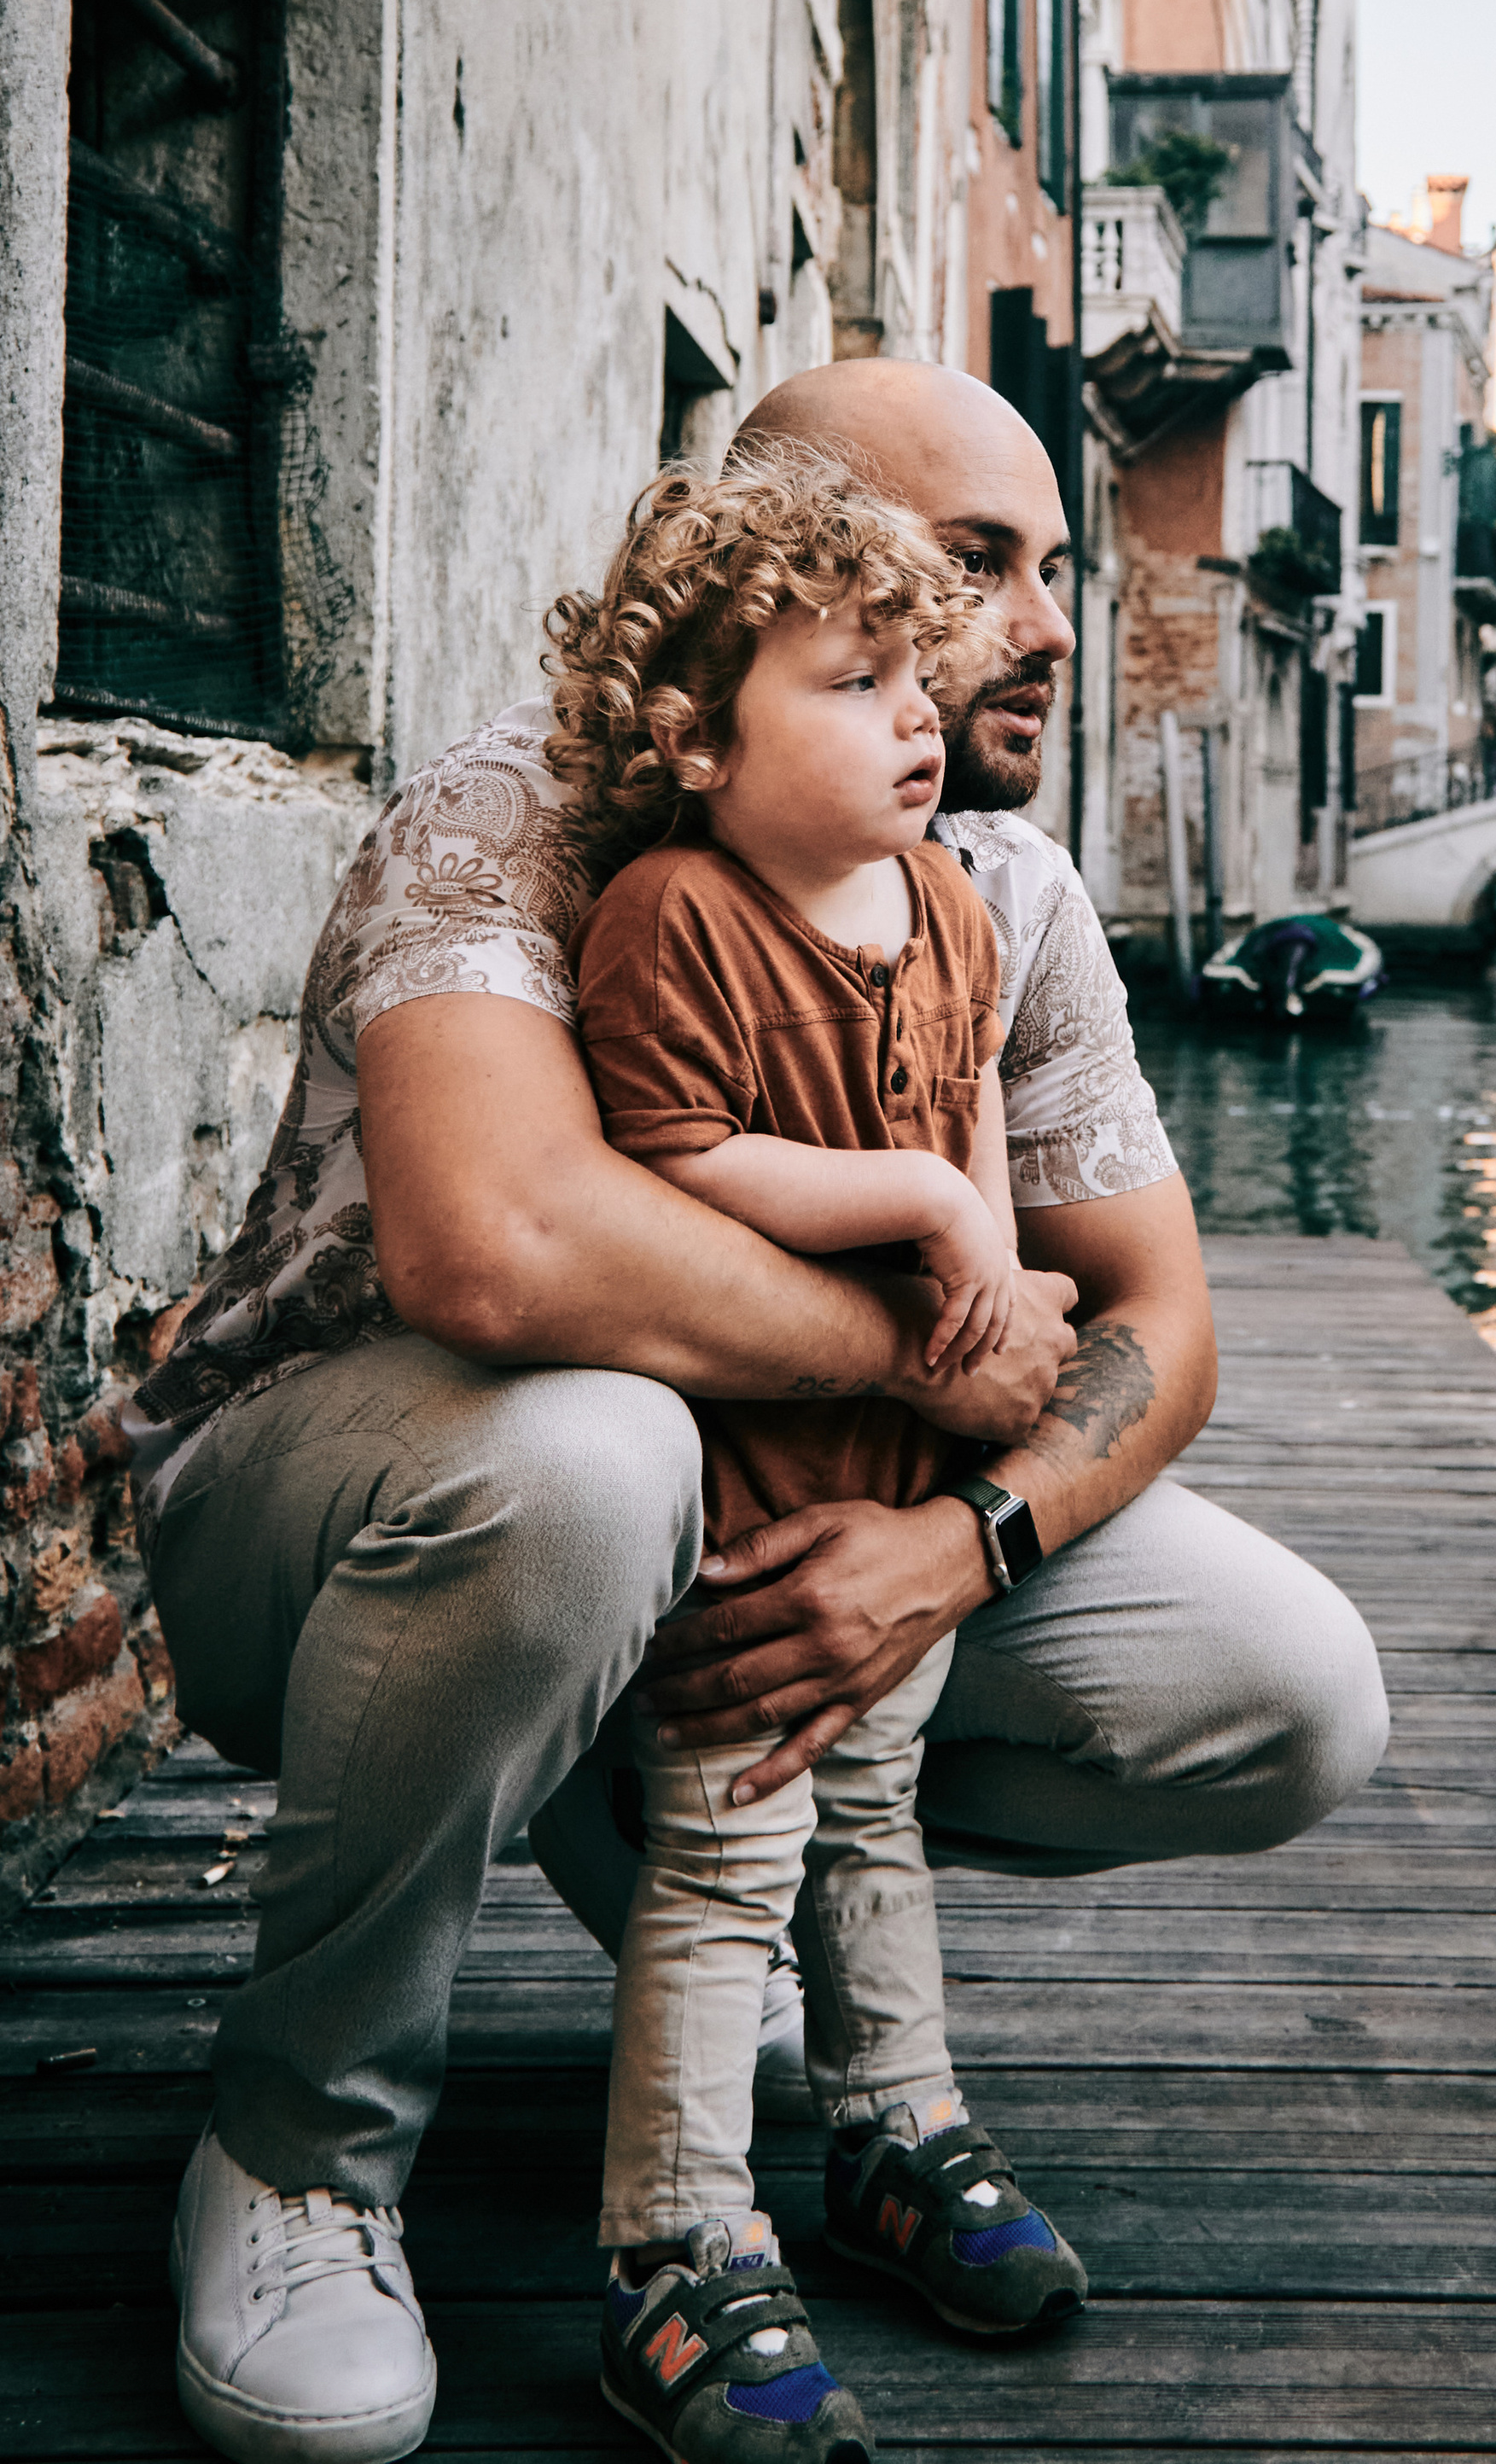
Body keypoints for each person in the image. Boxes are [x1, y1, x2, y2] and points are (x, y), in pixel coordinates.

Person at [132, 358, 1388, 2464]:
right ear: (787, 569)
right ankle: (296, 2153)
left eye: (1049, 567)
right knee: (589, 1458)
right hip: (332, 1517)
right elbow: (498, 1254)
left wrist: (955, 1545)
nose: (1047, 624)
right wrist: (929, 1348)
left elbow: (1155, 1321)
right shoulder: (518, 813)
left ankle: (669, 1834)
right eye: (975, 564)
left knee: (1292, 1686)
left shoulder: (1007, 900)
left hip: (780, 1525)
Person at [558, 444, 1087, 2457]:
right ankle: (674, 2249)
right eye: (857, 684)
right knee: (721, 1861)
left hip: (900, 1497)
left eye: (915, 683)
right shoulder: (666, 917)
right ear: (693, 738)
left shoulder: (950, 905)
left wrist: (984, 1250)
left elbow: (960, 1112)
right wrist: (935, 1217)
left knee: (880, 1819)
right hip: (754, 1518)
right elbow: (673, 1162)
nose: (917, 721)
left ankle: (894, 2131)